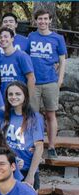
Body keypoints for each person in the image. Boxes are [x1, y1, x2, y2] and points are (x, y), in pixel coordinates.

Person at [28, 8, 67, 159]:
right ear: (36, 21)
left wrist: (60, 79)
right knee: (33, 116)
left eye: (45, 19)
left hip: (51, 81)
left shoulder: (58, 38)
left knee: (51, 114)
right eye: (40, 19)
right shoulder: (31, 36)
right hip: (34, 83)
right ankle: (34, 144)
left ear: (50, 20)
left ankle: (51, 147)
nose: (43, 22)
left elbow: (62, 60)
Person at [2, 82, 44, 189]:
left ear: (25, 96)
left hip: (26, 169)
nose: (13, 97)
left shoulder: (34, 117)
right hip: (8, 169)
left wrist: (31, 175)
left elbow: (39, 147)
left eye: (18, 94)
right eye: (10, 94)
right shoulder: (5, 116)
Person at [0, 27, 35, 97]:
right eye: (0, 38)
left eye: (5, 36)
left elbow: (31, 78)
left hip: (20, 96)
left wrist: (29, 97)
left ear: (12, 39)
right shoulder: (0, 59)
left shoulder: (22, 56)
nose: (2, 39)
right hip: (5, 97)